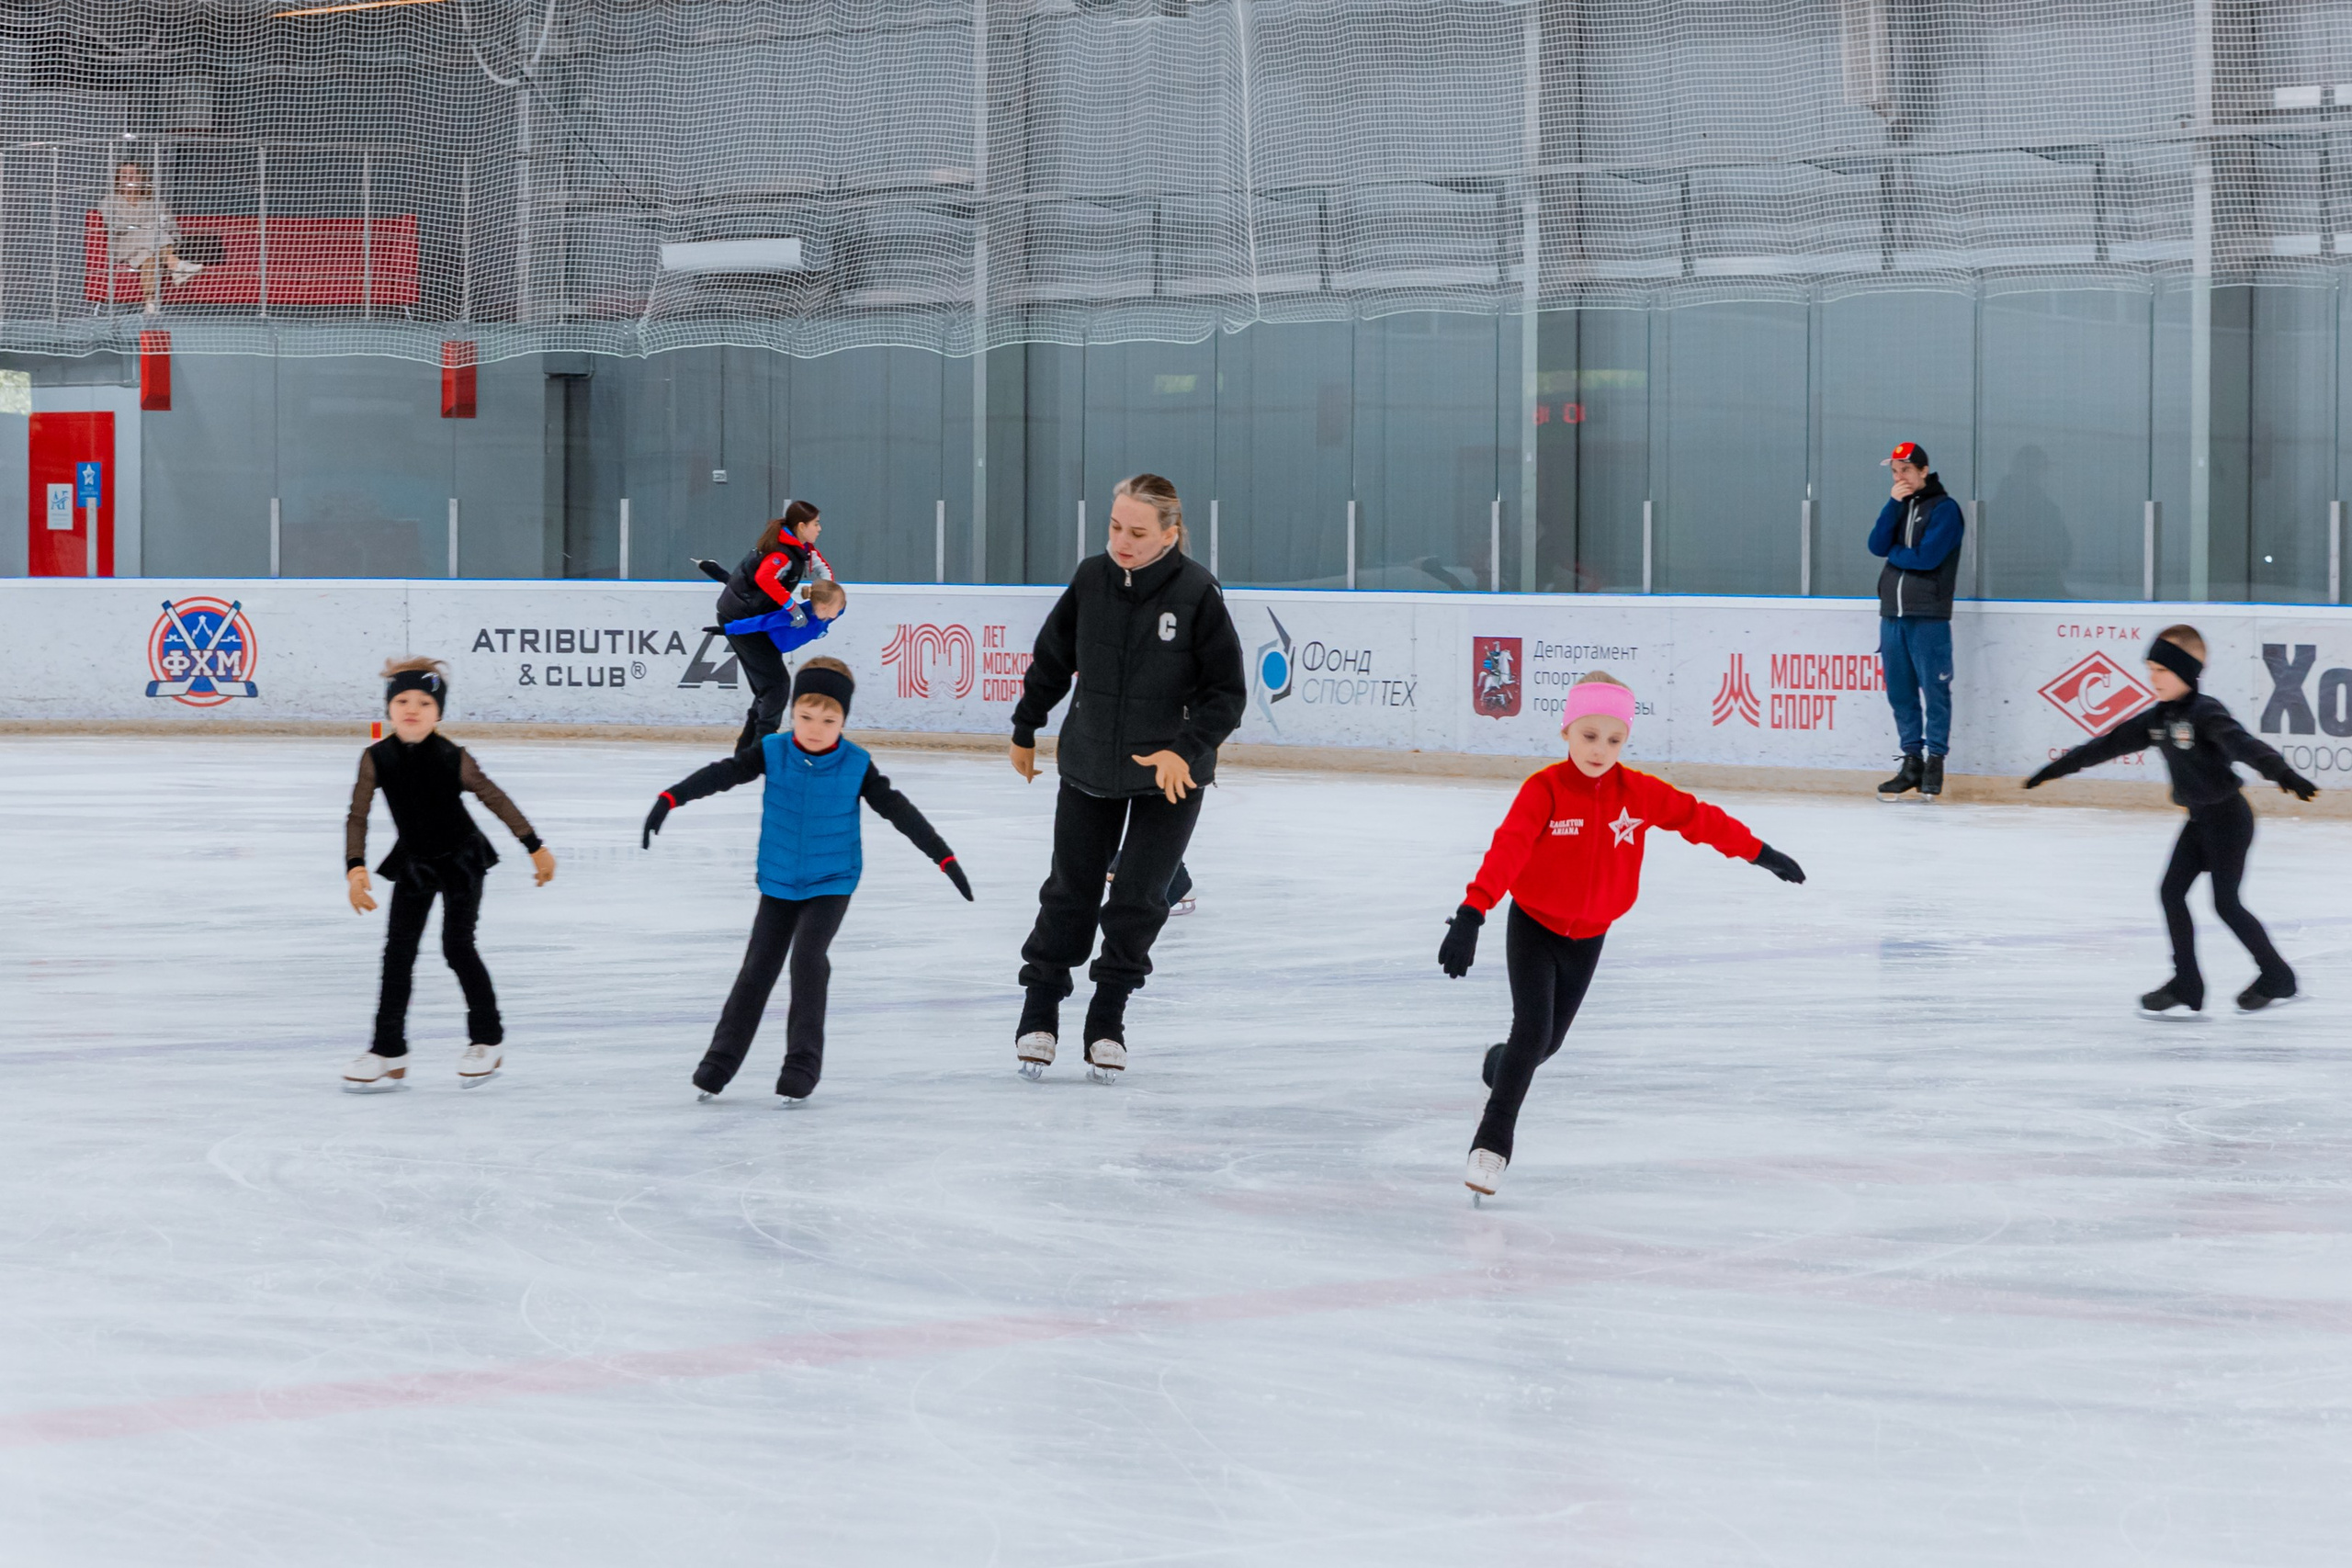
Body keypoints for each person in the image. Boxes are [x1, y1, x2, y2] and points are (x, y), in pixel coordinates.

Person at [1438, 671, 1806, 1201]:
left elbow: (1697, 818)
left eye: (1614, 739)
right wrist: (1473, 913)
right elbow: (1509, 849)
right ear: (1567, 731)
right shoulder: (1543, 790)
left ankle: (1498, 1065)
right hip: (1535, 925)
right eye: (1589, 735)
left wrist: (1760, 853)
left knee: (1545, 1043)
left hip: (1589, 934)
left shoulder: (1638, 793)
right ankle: (1491, 1144)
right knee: (1533, 1025)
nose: (1600, 749)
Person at [640, 657, 972, 1102]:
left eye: (829, 719)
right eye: (805, 716)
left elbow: (899, 811)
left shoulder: (857, 765)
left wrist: (944, 857)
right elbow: (724, 773)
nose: (815, 728)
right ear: (793, 713)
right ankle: (719, 1063)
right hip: (779, 880)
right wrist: (671, 798)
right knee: (757, 968)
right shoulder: (773, 751)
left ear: (845, 721)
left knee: (808, 959)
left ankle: (801, 1066)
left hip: (832, 880)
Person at [1007, 472, 1246, 1081]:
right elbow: (1054, 658)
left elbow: (1227, 694)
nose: (1123, 542)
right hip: (1089, 763)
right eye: (1116, 527)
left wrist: (1184, 751)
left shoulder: (1198, 593)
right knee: (1070, 890)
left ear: (1170, 533)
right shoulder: (1091, 579)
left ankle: (1107, 1016)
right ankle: (1040, 1008)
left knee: (1139, 897)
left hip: (1170, 779)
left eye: (1138, 532)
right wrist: (1025, 725)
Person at [2025, 626, 2316, 1017]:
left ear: (2186, 671)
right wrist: (2054, 770)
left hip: (2229, 819)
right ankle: (2187, 984)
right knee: (2171, 893)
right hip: (2198, 821)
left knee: (2226, 904)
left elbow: (2243, 745)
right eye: (2149, 669)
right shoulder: (2159, 719)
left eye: (2161, 669)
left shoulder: (2205, 712)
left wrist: (2283, 773)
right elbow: (2106, 745)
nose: (2153, 678)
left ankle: (2278, 977)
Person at [343, 659, 556, 1091]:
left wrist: (534, 845)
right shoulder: (375, 758)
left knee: (457, 947)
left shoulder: (454, 758)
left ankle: (488, 1038)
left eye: (424, 702)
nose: (412, 709)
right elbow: (358, 815)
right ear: (389, 708)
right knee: (397, 954)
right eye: (402, 700)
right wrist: (356, 867)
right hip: (415, 863)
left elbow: (494, 798)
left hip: (461, 858)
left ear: (438, 712)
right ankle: (388, 1048)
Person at [1867, 440, 1966, 801]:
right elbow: (1876, 544)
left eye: (1906, 470)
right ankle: (1911, 761)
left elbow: (1927, 558)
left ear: (1924, 470)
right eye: (1895, 471)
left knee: (1935, 690)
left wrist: (1897, 554)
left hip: (1928, 615)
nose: (1900, 477)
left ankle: (1935, 761)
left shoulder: (1945, 509)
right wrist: (1893, 504)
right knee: (1900, 692)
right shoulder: (1899, 505)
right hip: (1892, 615)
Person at [705, 501, 831, 752]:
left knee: (768, 686)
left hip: (751, 616)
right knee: (776, 685)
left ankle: (747, 750)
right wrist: (792, 608)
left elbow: (822, 569)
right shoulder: (782, 552)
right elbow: (764, 578)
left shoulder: (802, 548)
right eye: (816, 524)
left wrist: (829, 590)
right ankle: (760, 750)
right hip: (740, 619)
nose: (820, 528)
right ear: (801, 526)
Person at [99, 161, 202, 318]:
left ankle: (151, 305)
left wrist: (155, 227)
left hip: (150, 247)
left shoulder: (156, 203)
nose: (129, 179)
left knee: (148, 256)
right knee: (152, 231)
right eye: (124, 176)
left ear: (142, 178)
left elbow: (173, 231)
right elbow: (115, 226)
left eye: (133, 175)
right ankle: (176, 265)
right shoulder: (110, 201)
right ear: (118, 179)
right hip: (124, 245)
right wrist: (147, 227)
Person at [721, 577, 846, 660]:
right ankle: (724, 577)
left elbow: (838, 603)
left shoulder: (831, 613)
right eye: (839, 604)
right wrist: (728, 629)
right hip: (766, 644)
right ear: (824, 607)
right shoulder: (795, 617)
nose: (842, 606)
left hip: (779, 648)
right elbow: (761, 623)